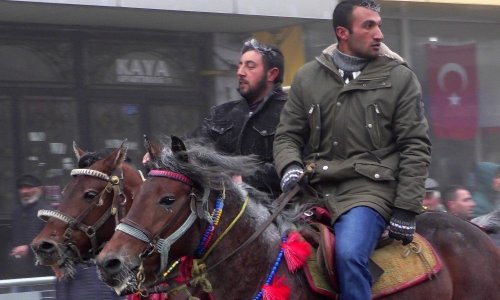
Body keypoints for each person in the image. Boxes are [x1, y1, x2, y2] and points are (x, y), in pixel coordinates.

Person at [273, 1, 431, 299]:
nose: (379, 34)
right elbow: (286, 136)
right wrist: (290, 166)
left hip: (370, 192)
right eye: (368, 26)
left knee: (348, 256)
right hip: (313, 190)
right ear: (342, 33)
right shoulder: (307, 77)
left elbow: (415, 146)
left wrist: (407, 208)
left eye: (379, 25)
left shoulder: (400, 79)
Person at [189, 38, 286, 197]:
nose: (240, 72)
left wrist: (245, 179)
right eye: (240, 65)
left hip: (279, 211)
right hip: (224, 208)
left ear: (272, 74)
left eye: (250, 66)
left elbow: (295, 164)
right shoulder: (223, 113)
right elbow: (194, 142)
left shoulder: (291, 113)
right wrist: (166, 152)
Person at [9, 174, 51, 281]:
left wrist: (28, 249)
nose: (25, 191)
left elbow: (52, 242)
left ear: (39, 190)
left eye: (29, 187)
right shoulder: (16, 212)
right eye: (22, 188)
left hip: (40, 274)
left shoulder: (47, 212)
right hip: (17, 274)